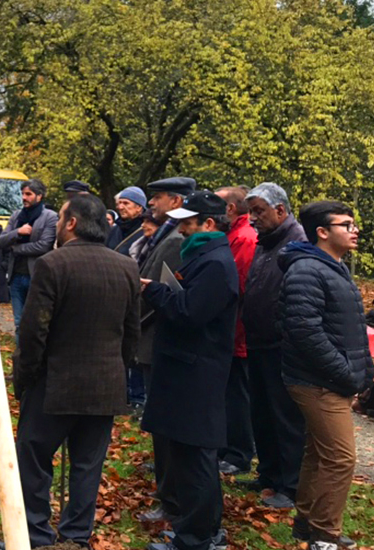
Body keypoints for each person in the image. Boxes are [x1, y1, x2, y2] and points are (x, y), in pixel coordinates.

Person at [11, 194, 139, 549]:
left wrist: (26, 378)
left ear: (71, 223)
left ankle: (35, 533)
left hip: (55, 383)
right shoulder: (126, 267)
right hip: (104, 385)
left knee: (33, 458)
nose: (57, 224)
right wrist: (118, 370)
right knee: (87, 465)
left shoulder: (52, 264)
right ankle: (76, 536)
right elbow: (131, 332)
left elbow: (34, 331)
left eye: (61, 218)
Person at [139, 191, 238, 550]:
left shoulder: (215, 264)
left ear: (208, 224)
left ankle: (195, 538)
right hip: (187, 369)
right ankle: (203, 529)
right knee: (190, 456)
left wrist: (156, 292)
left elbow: (191, 312)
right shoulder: (206, 256)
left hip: (196, 373)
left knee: (195, 459)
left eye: (188, 223)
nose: (181, 230)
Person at [279, 201, 372, 550]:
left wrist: (364, 372)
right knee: (341, 458)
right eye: (345, 224)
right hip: (317, 381)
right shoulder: (307, 270)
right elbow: (305, 332)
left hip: (330, 379)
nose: (354, 230)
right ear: (322, 232)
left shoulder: (334, 267)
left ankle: (307, 524)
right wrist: (345, 374)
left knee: (319, 453)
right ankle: (324, 535)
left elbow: (350, 329)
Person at [242, 182, 308, 509]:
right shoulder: (265, 242)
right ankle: (268, 474)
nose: (253, 218)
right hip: (258, 341)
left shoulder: (296, 243)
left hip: (280, 345)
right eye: (251, 212)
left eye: (259, 211)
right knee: (262, 413)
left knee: (285, 417)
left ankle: (291, 485)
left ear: (280, 210)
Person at [133, 176, 194, 412]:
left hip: (156, 337)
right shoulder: (167, 235)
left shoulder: (175, 239)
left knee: (160, 409)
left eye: (158, 197)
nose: (151, 203)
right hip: (155, 337)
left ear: (176, 201)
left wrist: (134, 323)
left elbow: (157, 289)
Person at [214, 186, 258, 477]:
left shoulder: (243, 238)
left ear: (230, 208)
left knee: (236, 395)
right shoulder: (234, 235)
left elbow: (238, 286)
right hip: (231, 330)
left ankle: (239, 453)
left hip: (238, 332)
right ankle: (225, 446)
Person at [0, 178, 57, 332]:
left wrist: (16, 249)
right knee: (18, 322)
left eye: (28, 194)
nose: (24, 197)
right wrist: (18, 232)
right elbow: (0, 241)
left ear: (39, 196)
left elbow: (44, 245)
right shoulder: (17, 216)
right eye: (22, 194)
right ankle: (20, 348)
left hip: (36, 275)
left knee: (35, 321)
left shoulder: (50, 217)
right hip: (16, 275)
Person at [107, 186, 148, 255]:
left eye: (126, 203)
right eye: (119, 203)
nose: (120, 207)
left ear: (139, 207)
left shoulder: (147, 231)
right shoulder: (113, 230)